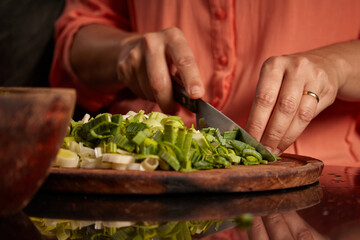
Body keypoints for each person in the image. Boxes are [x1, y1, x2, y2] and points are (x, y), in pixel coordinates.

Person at [50, 0, 360, 166]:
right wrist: (123, 50)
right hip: (147, 174)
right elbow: (79, 33)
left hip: (328, 179)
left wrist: (339, 65)